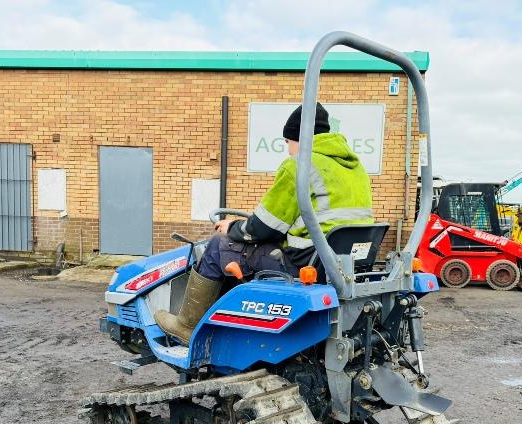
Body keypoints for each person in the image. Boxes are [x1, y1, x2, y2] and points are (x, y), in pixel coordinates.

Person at [155, 102, 374, 345]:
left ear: (297, 138)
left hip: (305, 265)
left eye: (288, 142)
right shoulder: (355, 169)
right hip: (344, 266)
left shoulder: (300, 166)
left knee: (218, 245)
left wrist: (233, 227)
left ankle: (187, 326)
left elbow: (264, 228)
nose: (288, 149)